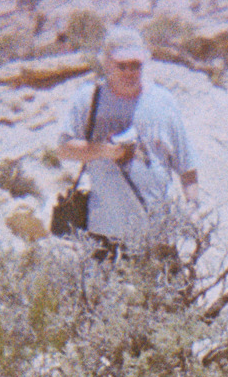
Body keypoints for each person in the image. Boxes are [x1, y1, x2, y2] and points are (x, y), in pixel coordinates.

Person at [54, 26, 199, 255]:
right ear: (106, 63)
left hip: (157, 234)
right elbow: (64, 149)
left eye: (136, 65)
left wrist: (193, 205)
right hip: (105, 234)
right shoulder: (88, 99)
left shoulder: (163, 101)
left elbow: (186, 163)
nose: (130, 72)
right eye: (122, 66)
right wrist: (104, 150)